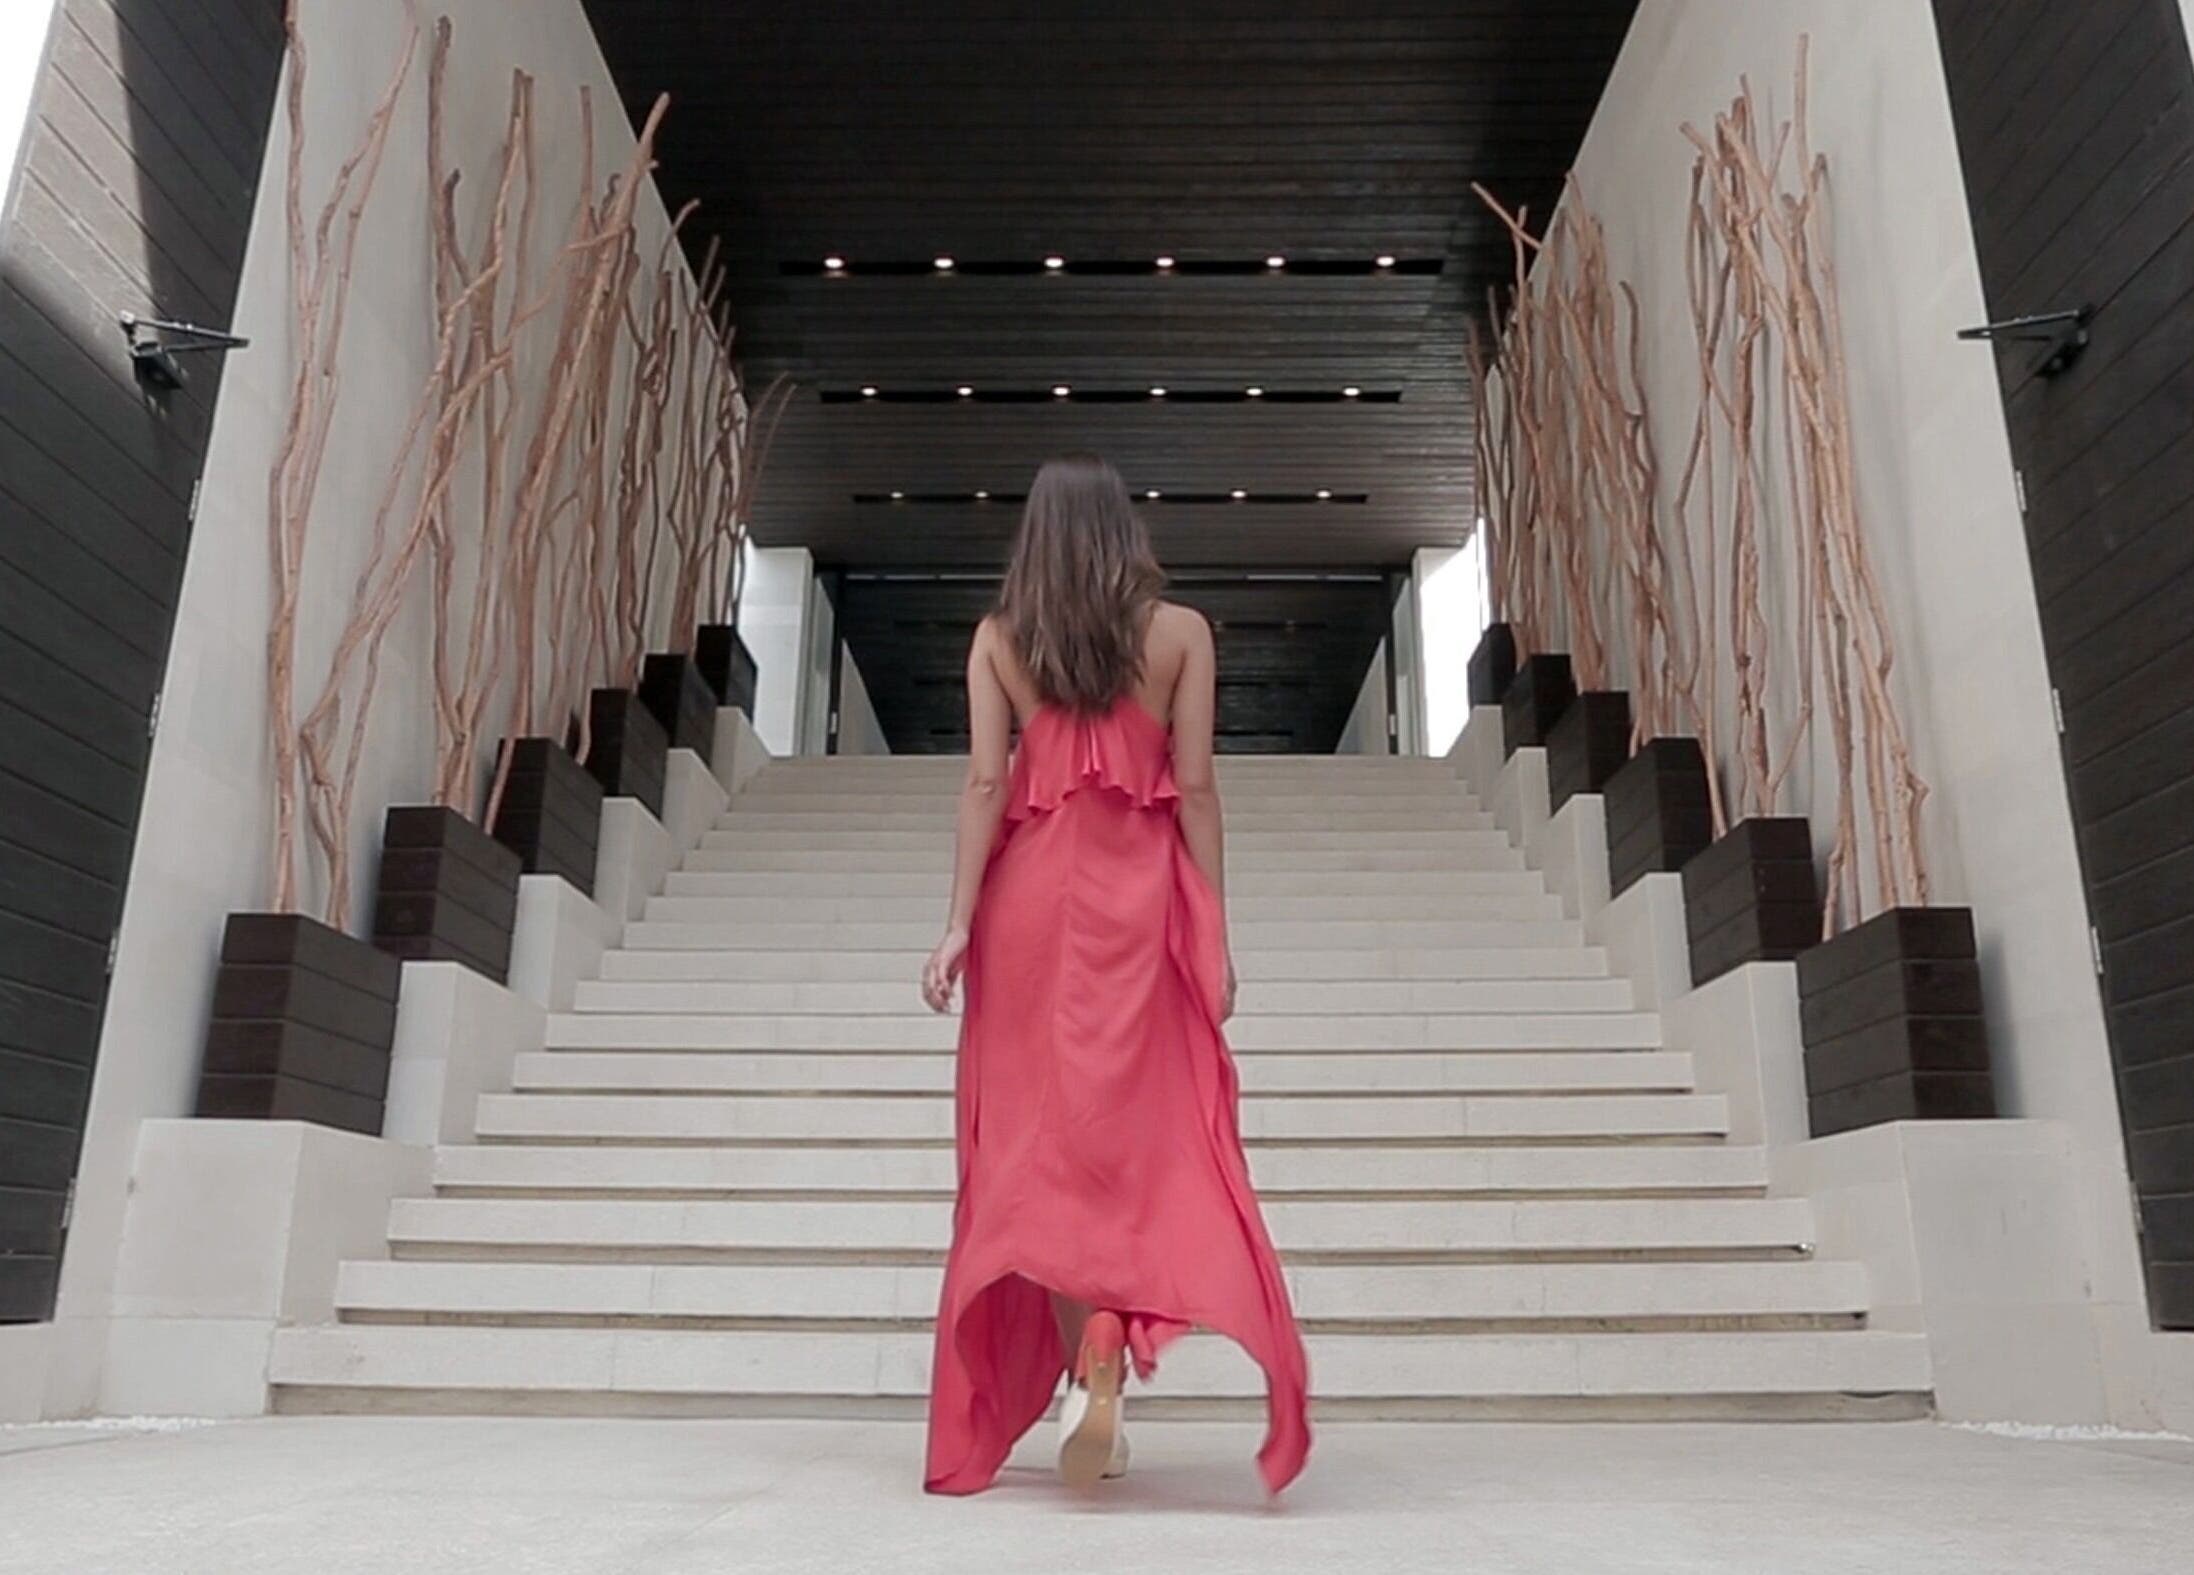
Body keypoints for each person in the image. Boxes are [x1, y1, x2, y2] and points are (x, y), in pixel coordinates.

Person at [918, 453, 1312, 1497]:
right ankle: (1108, 1333)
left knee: (1033, 1147)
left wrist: (956, 925)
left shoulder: (1000, 640)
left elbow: (983, 784)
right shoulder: (1180, 634)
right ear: (1124, 532)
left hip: (1029, 915)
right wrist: (1214, 935)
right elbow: (1194, 789)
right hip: (1141, 912)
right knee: (1139, 1140)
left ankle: (1088, 1341)